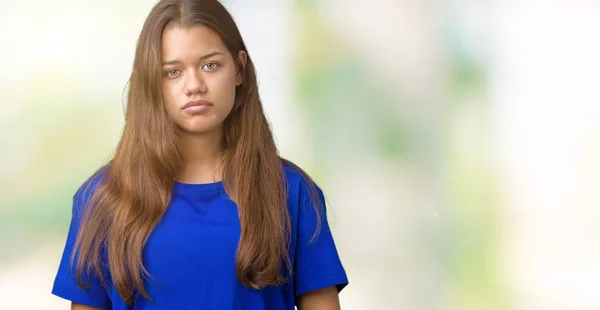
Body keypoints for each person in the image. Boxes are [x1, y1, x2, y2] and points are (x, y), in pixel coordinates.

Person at [51, 0, 348, 309]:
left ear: (239, 69)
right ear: (151, 82)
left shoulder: (290, 192)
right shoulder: (103, 199)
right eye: (172, 72)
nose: (194, 85)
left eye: (210, 65)